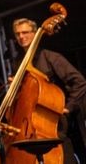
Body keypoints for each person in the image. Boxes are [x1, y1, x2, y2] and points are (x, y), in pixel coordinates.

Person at [12, 17, 86, 161]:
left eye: (25, 32)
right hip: (33, 122)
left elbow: (80, 82)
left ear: (35, 33)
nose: (21, 37)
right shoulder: (18, 63)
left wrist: (68, 107)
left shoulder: (50, 57)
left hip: (55, 120)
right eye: (18, 34)